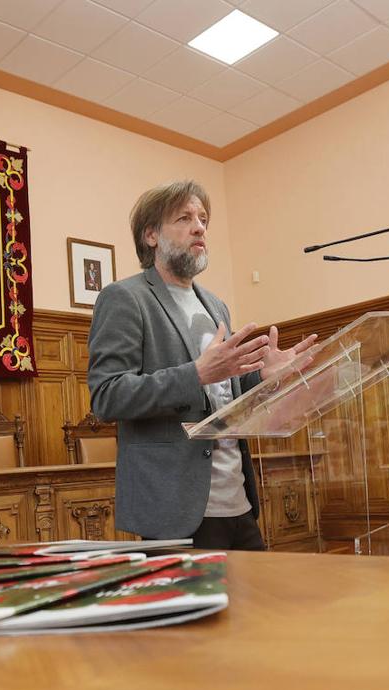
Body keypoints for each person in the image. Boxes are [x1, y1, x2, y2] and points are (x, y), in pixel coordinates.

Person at [87, 180, 315, 549]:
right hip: (176, 507)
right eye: (184, 218)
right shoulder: (125, 298)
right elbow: (107, 395)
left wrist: (265, 378)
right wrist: (195, 374)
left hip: (237, 499)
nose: (200, 227)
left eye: (204, 218)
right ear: (151, 236)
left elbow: (225, 393)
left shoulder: (216, 305)